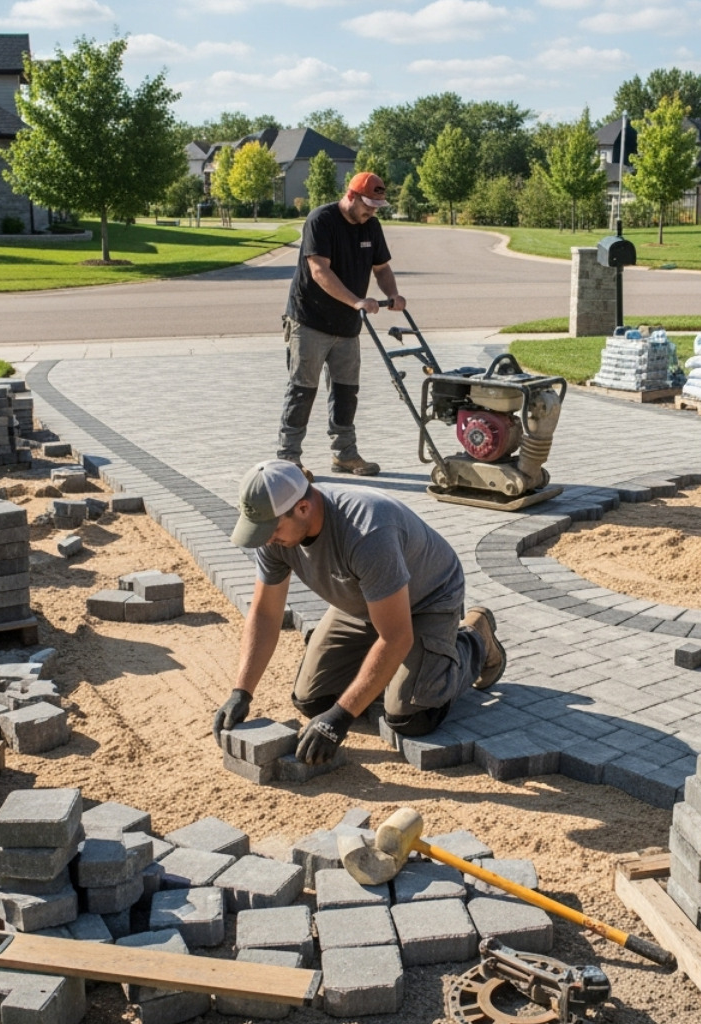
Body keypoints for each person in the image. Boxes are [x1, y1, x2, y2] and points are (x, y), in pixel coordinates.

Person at [211, 460, 504, 765]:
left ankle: (475, 640)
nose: (267, 539)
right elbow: (266, 614)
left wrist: (341, 716)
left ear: (302, 508)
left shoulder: (366, 531)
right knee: (313, 701)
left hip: (426, 601)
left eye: (271, 530)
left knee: (411, 717)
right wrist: (241, 691)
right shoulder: (275, 531)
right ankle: (399, 670)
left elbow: (396, 636)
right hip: (361, 602)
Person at [276, 171, 404, 479]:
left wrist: (392, 294)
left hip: (346, 325)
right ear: (351, 196)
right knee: (303, 389)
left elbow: (382, 268)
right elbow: (319, 271)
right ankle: (288, 457)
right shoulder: (321, 220)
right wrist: (357, 301)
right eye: (368, 205)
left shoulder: (371, 226)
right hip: (310, 319)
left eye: (377, 206)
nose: (372, 211)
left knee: (347, 391)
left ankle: (345, 454)